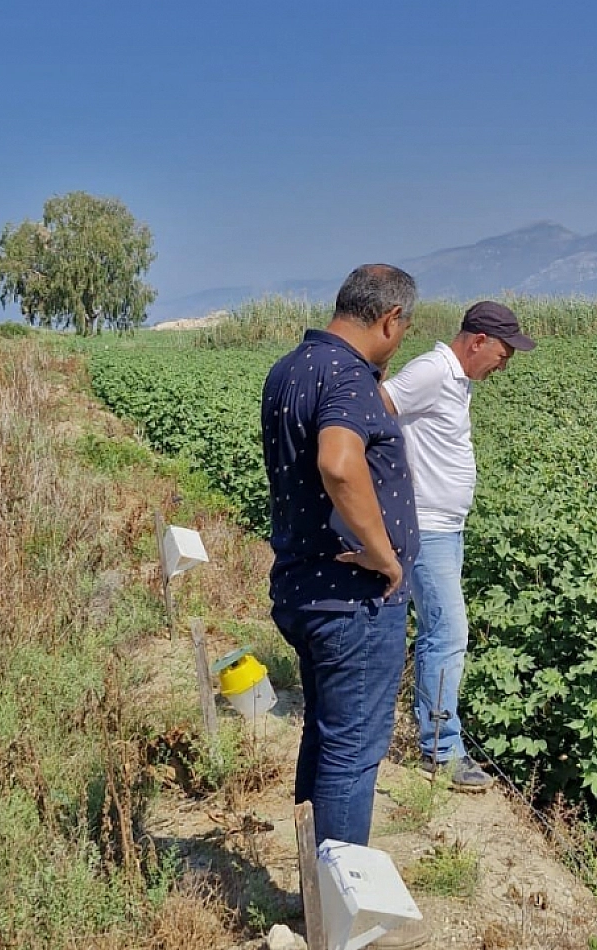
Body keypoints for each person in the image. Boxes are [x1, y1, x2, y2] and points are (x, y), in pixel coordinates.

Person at [260, 264, 419, 847]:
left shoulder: (291, 369)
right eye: (404, 329)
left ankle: (318, 892)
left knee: (326, 739)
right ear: (389, 318)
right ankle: (342, 911)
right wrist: (384, 556)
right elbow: (338, 462)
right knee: (353, 752)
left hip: (305, 588)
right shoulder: (346, 375)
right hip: (351, 602)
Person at [381, 300, 535, 790]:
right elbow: (376, 408)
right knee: (448, 632)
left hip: (446, 527)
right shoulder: (432, 370)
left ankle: (432, 738)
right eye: (503, 355)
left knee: (438, 630)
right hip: (425, 527)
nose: (504, 366)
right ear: (478, 341)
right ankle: (441, 752)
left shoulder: (457, 379)